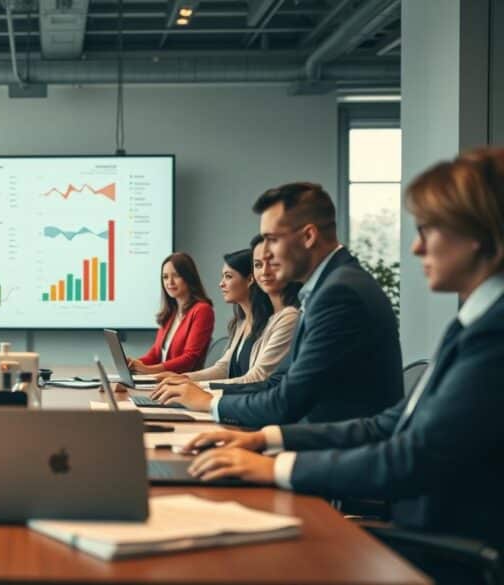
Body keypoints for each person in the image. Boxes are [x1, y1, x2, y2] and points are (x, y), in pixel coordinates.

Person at [183, 148, 504, 578]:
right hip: (421, 529)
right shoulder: (474, 320)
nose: (416, 246)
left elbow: (411, 457)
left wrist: (277, 464)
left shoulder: (491, 333)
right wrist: (266, 441)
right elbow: (391, 423)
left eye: (429, 229)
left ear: (480, 236)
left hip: (444, 552)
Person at [154, 183, 402, 425]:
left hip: (336, 453)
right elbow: (278, 384)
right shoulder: (327, 286)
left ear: (308, 236)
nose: (266, 255)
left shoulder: (338, 293)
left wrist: (209, 402)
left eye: (272, 239)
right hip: (318, 441)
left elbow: (287, 402)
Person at [159, 239, 300, 386]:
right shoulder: (242, 323)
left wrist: (194, 386)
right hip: (233, 399)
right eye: (258, 265)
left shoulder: (281, 319)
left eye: (228, 276)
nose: (221, 284)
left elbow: (258, 377)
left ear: (250, 279)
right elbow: (223, 368)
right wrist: (184, 379)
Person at [127, 252, 214, 375]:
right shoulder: (171, 312)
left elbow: (189, 359)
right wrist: (134, 363)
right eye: (165, 277)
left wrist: (149, 370)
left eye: (176, 276)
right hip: (163, 382)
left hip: (183, 384)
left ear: (188, 277)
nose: (170, 282)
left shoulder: (202, 310)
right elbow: (156, 355)